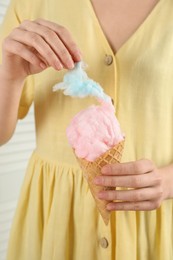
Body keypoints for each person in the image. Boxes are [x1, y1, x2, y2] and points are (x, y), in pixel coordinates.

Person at [0, 0, 173, 259]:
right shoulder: (31, 4)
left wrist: (169, 181)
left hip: (153, 222)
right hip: (55, 218)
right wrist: (9, 77)